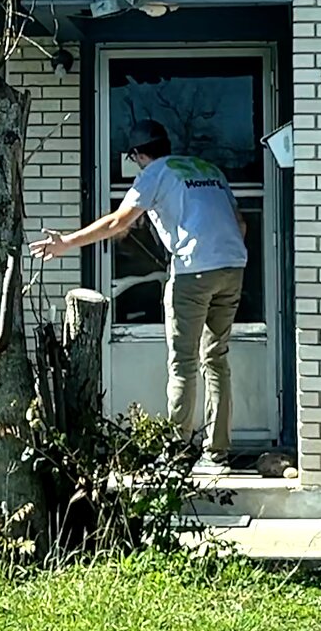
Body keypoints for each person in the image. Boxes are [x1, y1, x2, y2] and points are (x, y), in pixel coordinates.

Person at [30, 120, 247, 473]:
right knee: (217, 360)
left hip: (193, 271)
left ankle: (177, 455)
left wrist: (66, 243)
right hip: (233, 265)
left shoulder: (155, 173)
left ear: (138, 154)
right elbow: (241, 225)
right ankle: (217, 454)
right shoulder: (209, 169)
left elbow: (119, 222)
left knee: (183, 363)